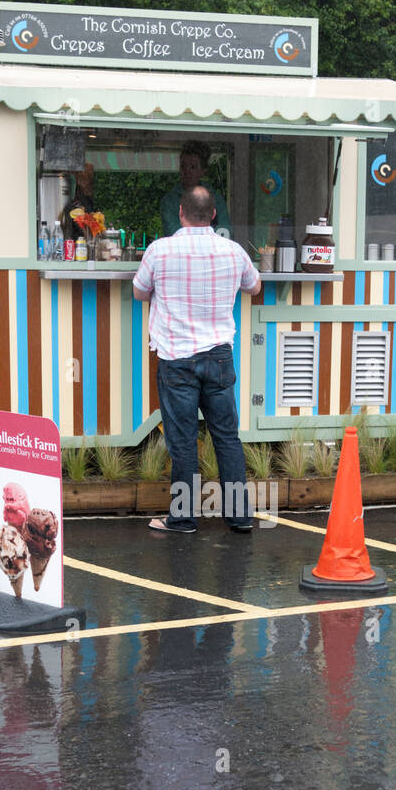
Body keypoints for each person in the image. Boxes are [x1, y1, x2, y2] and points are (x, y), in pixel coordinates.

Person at [133, 185, 260, 533]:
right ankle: (239, 517)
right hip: (218, 356)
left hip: (177, 359)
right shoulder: (233, 251)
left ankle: (184, 518)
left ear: (180, 212)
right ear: (214, 214)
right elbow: (254, 286)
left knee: (184, 440)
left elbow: (139, 291)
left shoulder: (160, 250)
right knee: (226, 437)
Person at [160, 141, 232, 239]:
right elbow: (173, 233)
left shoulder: (216, 199)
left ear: (203, 171)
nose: (187, 171)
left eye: (193, 167)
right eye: (183, 166)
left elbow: (225, 232)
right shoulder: (169, 201)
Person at [61, 163, 97, 242]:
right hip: (76, 242)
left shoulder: (87, 198)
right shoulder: (76, 198)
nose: (88, 179)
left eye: (89, 175)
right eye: (84, 174)